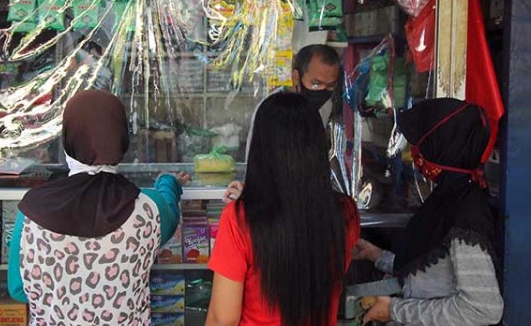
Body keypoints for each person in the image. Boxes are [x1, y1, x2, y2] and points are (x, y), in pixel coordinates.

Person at [7, 89, 190, 325]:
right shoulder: (149, 210)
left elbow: (18, 289)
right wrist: (169, 181)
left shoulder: (31, 212)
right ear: (122, 138)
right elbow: (168, 204)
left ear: (68, 139)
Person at [206, 93, 360, 326]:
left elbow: (222, 319)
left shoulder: (239, 220)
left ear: (261, 149)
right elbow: (298, 211)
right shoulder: (345, 212)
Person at [354, 98, 504, 326]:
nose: (416, 153)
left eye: (422, 145)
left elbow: (483, 308)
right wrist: (376, 255)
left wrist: (395, 311)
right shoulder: (448, 199)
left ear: (443, 146)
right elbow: (432, 271)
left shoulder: (466, 212)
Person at [228, 44, 341, 202]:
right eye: (316, 84)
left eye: (330, 86)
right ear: (296, 77)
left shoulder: (325, 106)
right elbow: (256, 162)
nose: (323, 91)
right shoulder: (271, 109)